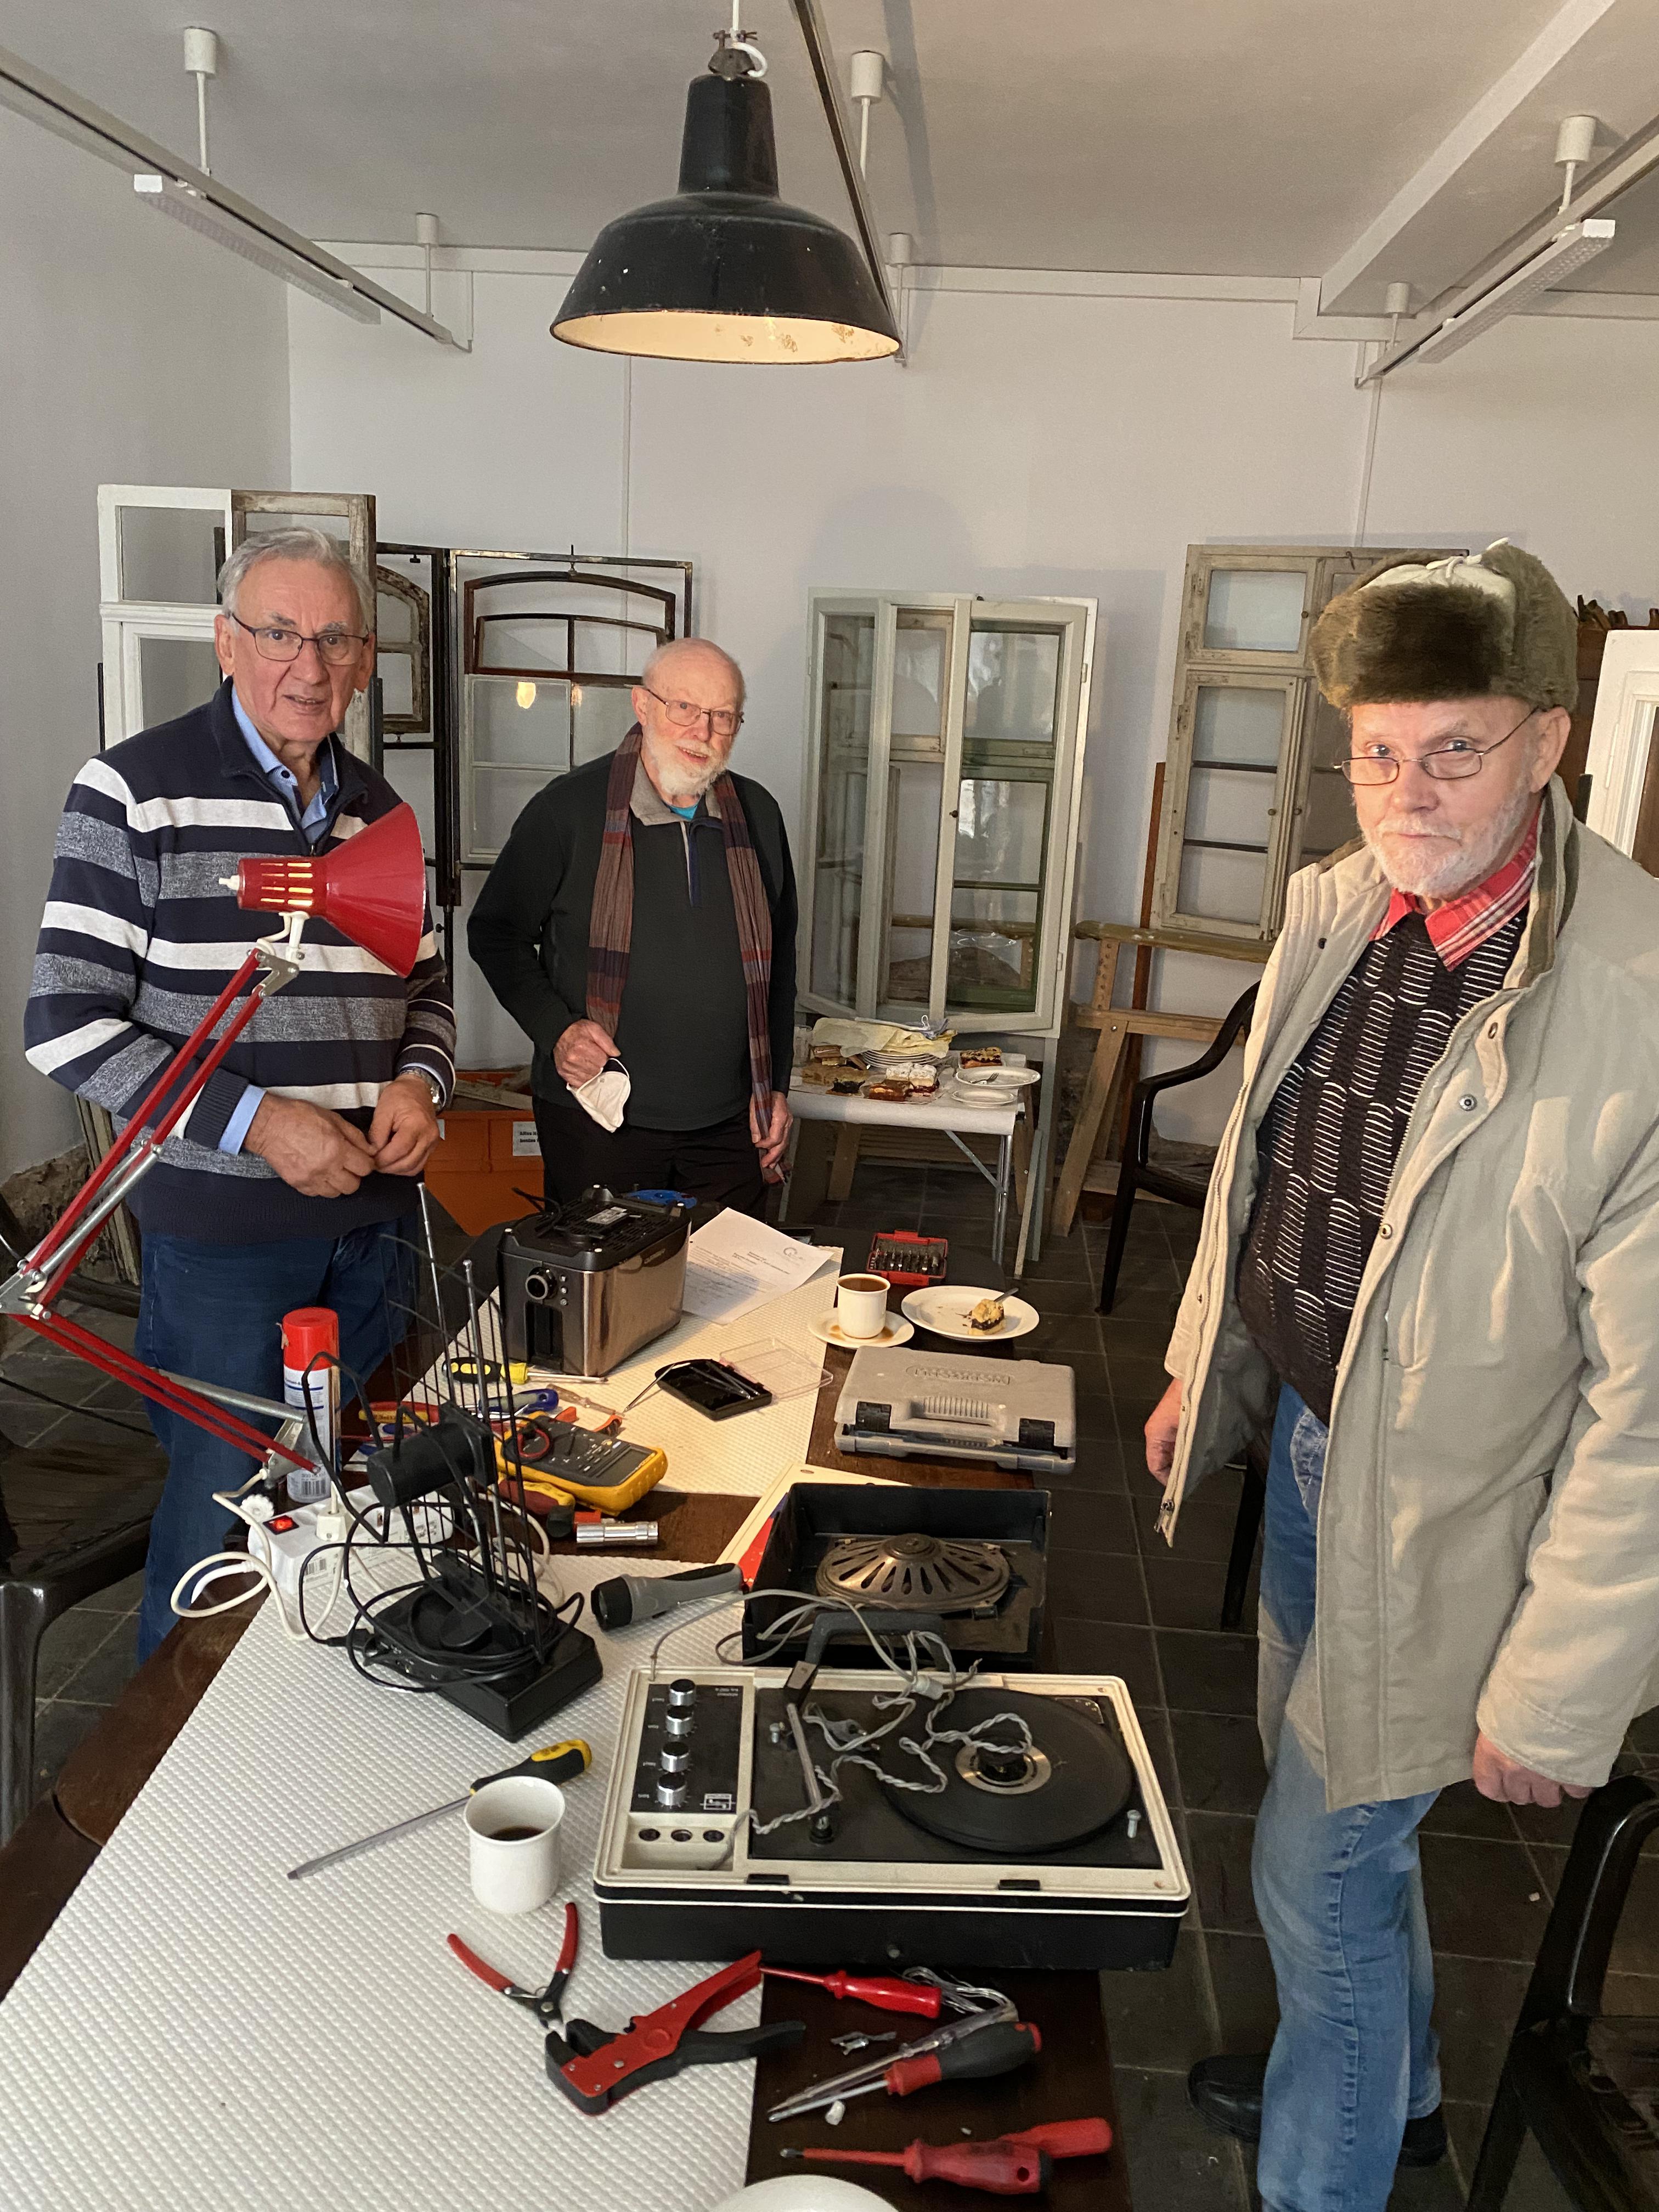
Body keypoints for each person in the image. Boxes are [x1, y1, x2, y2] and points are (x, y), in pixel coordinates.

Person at [1141, 542, 1659, 2212]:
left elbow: (1650, 1416)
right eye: (1378, 748)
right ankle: (1394, 2082)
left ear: (1548, 741)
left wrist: (1558, 1689)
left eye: (1455, 748)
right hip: (1316, 1451)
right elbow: (1270, 1175)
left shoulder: (1634, 998)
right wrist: (1201, 1369)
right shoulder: (1352, 905)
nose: (1407, 789)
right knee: (1347, 1822)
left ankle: (1329, 2168)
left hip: (1455, 1526)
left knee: (1315, 1867)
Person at [25, 527, 454, 1661]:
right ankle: (168, 1759)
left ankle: (312, 1715)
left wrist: (422, 1081)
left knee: (358, 1500)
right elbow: (63, 1024)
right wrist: (258, 1124)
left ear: (363, 660)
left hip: (376, 1229)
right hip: (222, 1243)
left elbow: (428, 989)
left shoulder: (382, 811)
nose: (307, 665)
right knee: (222, 1518)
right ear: (226, 643)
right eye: (278, 634)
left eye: (334, 639)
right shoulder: (133, 790)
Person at [467, 636, 796, 1218]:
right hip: (598, 1117)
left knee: (732, 1274)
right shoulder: (567, 811)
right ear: (642, 705)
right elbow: (496, 933)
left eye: (723, 716)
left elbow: (781, 963)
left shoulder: (759, 815)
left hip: (731, 1125)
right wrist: (556, 1029)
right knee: (608, 1274)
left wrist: (775, 1086)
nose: (703, 731)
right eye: (684, 707)